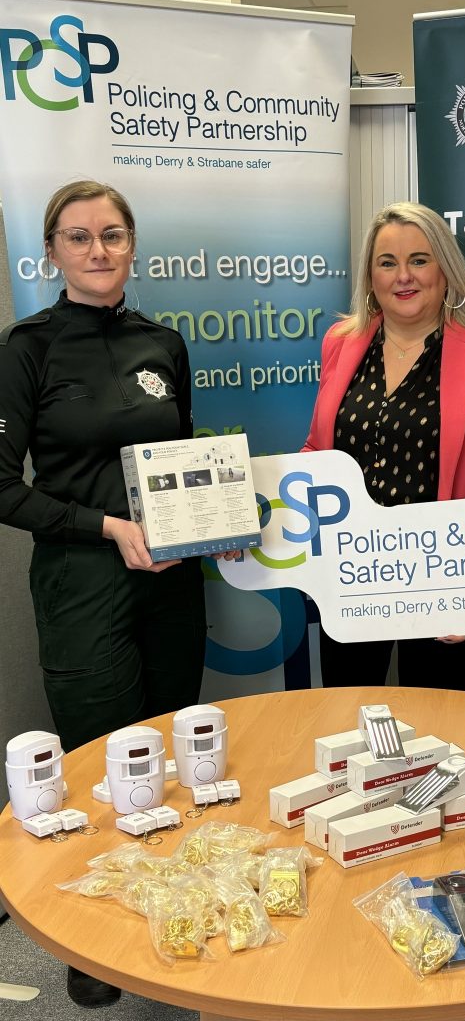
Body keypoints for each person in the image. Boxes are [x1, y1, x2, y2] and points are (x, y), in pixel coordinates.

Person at [0, 180, 207, 1008]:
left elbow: (179, 459)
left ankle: (179, 911)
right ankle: (95, 943)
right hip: (81, 580)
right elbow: (0, 486)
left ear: (132, 245)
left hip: (170, 580)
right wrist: (104, 527)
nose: (98, 250)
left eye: (113, 235)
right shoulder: (27, 349)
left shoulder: (164, 343)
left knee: (168, 749)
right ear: (52, 250)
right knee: (103, 758)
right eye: (80, 237)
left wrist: (206, 522)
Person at [302, 201, 465, 690]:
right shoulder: (340, 342)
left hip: (441, 578)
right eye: (387, 263)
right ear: (371, 277)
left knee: (437, 720)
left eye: (419, 260)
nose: (403, 276)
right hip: (350, 573)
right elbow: (318, 453)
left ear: (445, 271)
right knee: (348, 710)